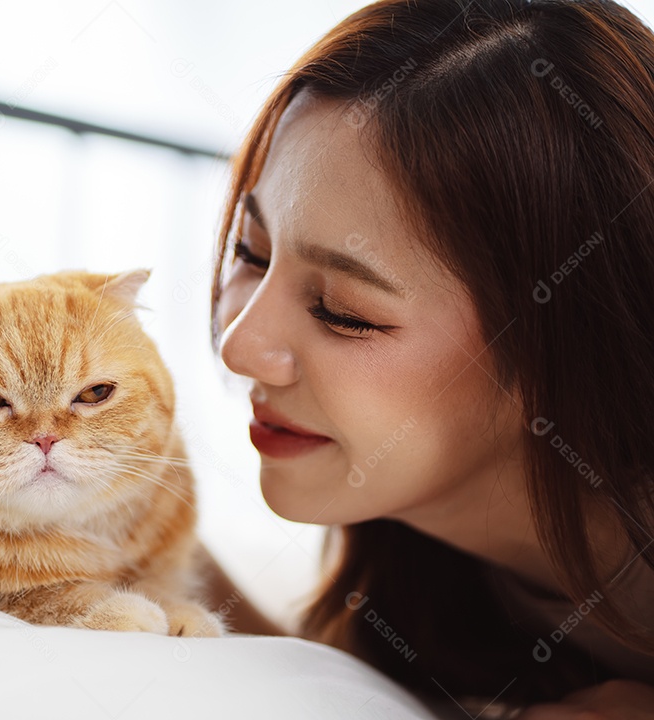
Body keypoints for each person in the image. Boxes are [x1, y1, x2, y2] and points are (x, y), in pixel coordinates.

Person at [203, 0, 654, 717]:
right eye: (252, 253)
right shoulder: (400, 540)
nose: (240, 344)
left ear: (569, 342)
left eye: (344, 312)